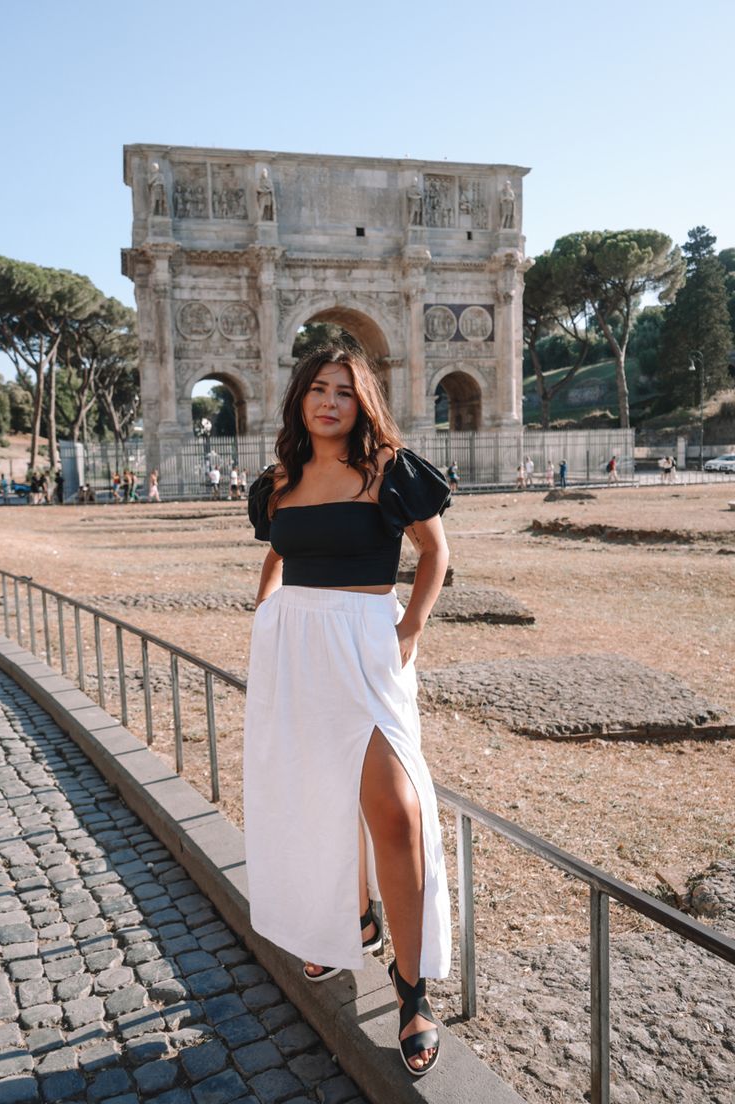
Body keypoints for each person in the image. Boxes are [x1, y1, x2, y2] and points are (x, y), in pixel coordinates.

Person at [246, 345, 451, 1077]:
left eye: (344, 391)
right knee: (314, 797)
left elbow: (435, 553)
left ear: (364, 402)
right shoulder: (278, 482)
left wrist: (410, 628)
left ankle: (411, 984)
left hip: (366, 648)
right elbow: (275, 554)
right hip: (295, 656)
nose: (329, 401)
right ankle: (352, 918)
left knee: (394, 809)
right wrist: (266, 617)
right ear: (300, 398)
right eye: (318, 389)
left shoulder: (390, 470)